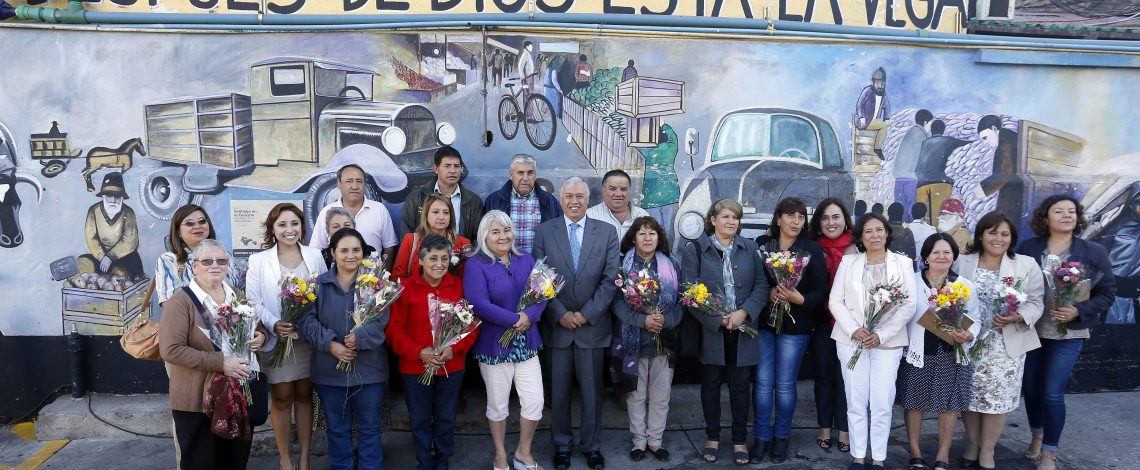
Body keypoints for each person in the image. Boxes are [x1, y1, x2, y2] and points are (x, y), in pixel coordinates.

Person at [1017, 195, 1116, 470]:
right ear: (1045, 218)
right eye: (1058, 211)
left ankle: (1050, 451)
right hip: (1033, 331)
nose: (1066, 215)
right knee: (1031, 390)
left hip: (1068, 335)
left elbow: (1107, 293)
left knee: (1051, 393)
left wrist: (1079, 310)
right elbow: (1015, 284)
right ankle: (1037, 434)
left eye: (1071, 211)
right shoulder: (1029, 248)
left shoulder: (1092, 251)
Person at [158, 239, 269, 470]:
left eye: (221, 260)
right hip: (197, 401)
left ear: (228, 265)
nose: (214, 265)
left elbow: (256, 327)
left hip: (238, 395)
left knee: (235, 462)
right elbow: (170, 349)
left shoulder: (237, 295)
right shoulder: (181, 302)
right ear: (194, 266)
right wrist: (221, 363)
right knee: (202, 463)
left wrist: (261, 337)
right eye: (207, 261)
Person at [533, 177, 620, 470]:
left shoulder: (607, 232)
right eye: (569, 196)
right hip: (557, 326)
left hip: (591, 327)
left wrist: (585, 314)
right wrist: (559, 313)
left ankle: (592, 447)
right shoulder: (545, 231)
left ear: (588, 199)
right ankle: (561, 446)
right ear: (560, 199)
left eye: (580, 196)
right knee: (557, 392)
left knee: (592, 393)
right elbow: (539, 276)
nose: (574, 201)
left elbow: (611, 280)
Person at [680, 198, 768, 466]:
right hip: (713, 332)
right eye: (726, 216)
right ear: (713, 220)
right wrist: (716, 319)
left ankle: (740, 439)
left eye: (735, 218)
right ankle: (713, 437)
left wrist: (744, 313)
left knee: (741, 387)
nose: (731, 222)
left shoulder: (751, 248)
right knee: (711, 385)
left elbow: (762, 286)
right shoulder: (695, 249)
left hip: (743, 329)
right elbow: (688, 291)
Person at [954, 211, 1045, 470]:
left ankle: (988, 450)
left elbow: (1037, 302)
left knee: (996, 399)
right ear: (981, 235)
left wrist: (1018, 316)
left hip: (1005, 345)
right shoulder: (963, 262)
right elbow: (949, 298)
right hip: (969, 342)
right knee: (969, 396)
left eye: (1005, 234)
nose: (998, 238)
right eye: (992, 232)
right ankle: (972, 444)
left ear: (1011, 238)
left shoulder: (1025, 264)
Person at [829, 213, 918, 470]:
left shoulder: (902, 263)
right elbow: (836, 301)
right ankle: (858, 456)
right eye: (868, 232)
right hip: (851, 341)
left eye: (879, 230)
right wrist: (855, 329)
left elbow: (908, 304)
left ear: (887, 233)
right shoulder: (849, 263)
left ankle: (878, 457)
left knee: (882, 401)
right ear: (861, 237)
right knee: (855, 400)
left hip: (886, 344)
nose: (874, 235)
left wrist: (881, 335)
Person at [297, 228, 390, 470]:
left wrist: (359, 337)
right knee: (337, 431)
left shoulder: (377, 285)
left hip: (369, 373)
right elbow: (306, 321)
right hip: (330, 372)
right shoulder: (318, 285)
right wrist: (331, 344)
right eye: (344, 250)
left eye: (356, 250)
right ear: (332, 253)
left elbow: (382, 321)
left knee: (370, 430)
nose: (351, 255)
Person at [245, 203, 327, 470]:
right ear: (272, 229)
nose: (289, 229)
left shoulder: (315, 255)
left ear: (302, 226)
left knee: (305, 395)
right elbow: (253, 301)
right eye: (282, 224)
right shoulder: (259, 260)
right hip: (276, 339)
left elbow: (324, 295)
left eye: (294, 223)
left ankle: (304, 458)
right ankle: (285, 461)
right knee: (281, 397)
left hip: (307, 340)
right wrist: (274, 322)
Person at [463, 211, 547, 470]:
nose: (503, 236)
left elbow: (542, 294)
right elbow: (478, 304)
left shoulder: (526, 259)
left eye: (506, 230)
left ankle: (523, 452)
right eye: (495, 232)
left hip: (526, 343)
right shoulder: (476, 264)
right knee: (498, 405)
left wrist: (528, 316)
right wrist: (514, 319)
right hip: (495, 346)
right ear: (484, 236)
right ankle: (500, 454)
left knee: (534, 402)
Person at [750, 198, 828, 464]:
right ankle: (761, 437)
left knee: (784, 385)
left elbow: (821, 290)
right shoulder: (762, 245)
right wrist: (769, 291)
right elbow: (753, 281)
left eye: (802, 217)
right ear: (779, 218)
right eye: (791, 215)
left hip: (796, 328)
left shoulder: (810, 249)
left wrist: (800, 299)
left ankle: (781, 438)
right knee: (761, 383)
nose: (796, 221)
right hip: (764, 325)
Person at [387, 234, 475, 470]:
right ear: (421, 260)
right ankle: (424, 461)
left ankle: (442, 460)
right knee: (420, 418)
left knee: (446, 417)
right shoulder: (404, 289)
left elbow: (470, 327)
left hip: (451, 366)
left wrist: (453, 349)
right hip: (415, 367)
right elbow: (394, 331)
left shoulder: (459, 287)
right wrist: (419, 352)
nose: (439, 264)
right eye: (433, 258)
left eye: (444, 259)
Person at [897, 233, 979, 470]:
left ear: (954, 256)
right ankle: (915, 453)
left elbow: (975, 317)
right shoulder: (911, 282)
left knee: (948, 405)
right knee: (915, 403)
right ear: (926, 257)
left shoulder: (963, 285)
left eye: (946, 252)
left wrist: (969, 334)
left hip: (951, 353)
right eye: (936, 252)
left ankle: (942, 456)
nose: (941, 256)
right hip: (918, 351)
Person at [610, 216, 682, 463]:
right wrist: (643, 321)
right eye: (642, 233)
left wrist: (665, 320)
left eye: (652, 233)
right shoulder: (623, 267)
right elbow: (617, 303)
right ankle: (639, 441)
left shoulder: (671, 266)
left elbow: (682, 302)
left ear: (659, 238)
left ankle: (656, 441)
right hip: (634, 341)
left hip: (664, 341)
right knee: (636, 395)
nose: (648, 238)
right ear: (633, 238)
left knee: (661, 396)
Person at [808, 198, 856, 455]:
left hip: (851, 325)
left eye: (836, 217)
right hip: (823, 323)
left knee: (845, 378)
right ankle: (825, 427)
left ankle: (845, 429)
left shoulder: (857, 248)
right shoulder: (814, 248)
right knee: (824, 377)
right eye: (825, 218)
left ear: (845, 220)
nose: (831, 223)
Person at [309, 164, 398, 268]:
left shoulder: (379, 209)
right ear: (339, 184)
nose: (355, 186)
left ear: (364, 184)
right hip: (336, 279)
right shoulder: (326, 212)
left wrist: (382, 276)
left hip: (371, 279)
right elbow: (316, 250)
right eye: (349, 181)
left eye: (359, 181)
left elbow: (390, 247)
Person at [401, 146, 486, 242]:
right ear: (436, 168)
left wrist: (465, 255)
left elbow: (478, 240)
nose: (453, 171)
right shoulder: (416, 197)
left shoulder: (474, 201)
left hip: (463, 256)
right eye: (447, 166)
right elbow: (406, 236)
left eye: (457, 166)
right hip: (423, 256)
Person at [483, 154, 562, 254]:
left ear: (535, 175)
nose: (525, 178)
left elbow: (559, 237)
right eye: (520, 173)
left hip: (538, 266)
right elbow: (485, 237)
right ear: (511, 175)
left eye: (530, 173)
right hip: (504, 266)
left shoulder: (550, 202)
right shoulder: (494, 200)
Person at [78, 171, 144, 278]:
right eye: (109, 195)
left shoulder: (128, 212)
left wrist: (110, 256)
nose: (113, 200)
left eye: (117, 196)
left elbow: (130, 241)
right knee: (83, 262)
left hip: (124, 256)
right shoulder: (94, 211)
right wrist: (102, 256)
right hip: (101, 256)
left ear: (122, 198)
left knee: (127, 276)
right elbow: (90, 238)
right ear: (103, 196)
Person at [392, 194, 473, 280]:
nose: (441, 217)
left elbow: (468, 280)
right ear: (426, 215)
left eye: (446, 213)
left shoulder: (463, 243)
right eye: (435, 212)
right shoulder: (411, 240)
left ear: (451, 216)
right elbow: (397, 278)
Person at [155, 204, 220, 305]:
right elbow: (171, 306)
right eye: (189, 223)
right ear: (178, 232)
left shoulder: (225, 256)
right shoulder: (169, 260)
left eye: (202, 221)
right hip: (191, 320)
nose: (198, 226)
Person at [586, 169, 651, 239]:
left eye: (623, 189)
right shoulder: (589, 216)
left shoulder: (642, 215)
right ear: (603, 190)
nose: (618, 194)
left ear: (629, 190)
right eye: (613, 189)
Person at [894, 110, 934, 221]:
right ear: (926, 123)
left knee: (900, 210)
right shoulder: (921, 135)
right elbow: (922, 158)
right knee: (912, 210)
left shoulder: (910, 132)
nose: (930, 127)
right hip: (911, 177)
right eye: (930, 124)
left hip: (899, 176)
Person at [853, 67, 891, 155]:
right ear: (873, 83)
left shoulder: (883, 95)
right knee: (884, 126)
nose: (880, 86)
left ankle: (878, 148)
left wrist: (887, 118)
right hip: (864, 121)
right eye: (878, 83)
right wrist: (862, 117)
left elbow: (887, 107)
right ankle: (878, 148)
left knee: (886, 124)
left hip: (873, 121)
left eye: (882, 84)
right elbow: (859, 104)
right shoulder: (867, 91)